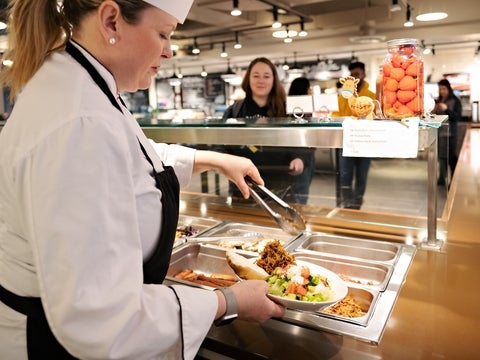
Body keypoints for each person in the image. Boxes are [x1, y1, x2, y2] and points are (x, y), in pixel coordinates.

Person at [0, 1, 285, 359]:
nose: (168, 51)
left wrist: (212, 159)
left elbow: (134, 155)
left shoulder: (86, 84)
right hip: (52, 345)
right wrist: (227, 301)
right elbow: (100, 319)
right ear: (111, 21)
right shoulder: (78, 123)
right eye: (163, 33)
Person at [222, 57, 311, 204]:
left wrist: (300, 158)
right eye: (256, 76)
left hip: (283, 186)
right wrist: (226, 163)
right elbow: (220, 144)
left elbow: (304, 141)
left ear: (274, 80)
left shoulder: (288, 109)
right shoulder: (235, 110)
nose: (261, 80)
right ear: (248, 79)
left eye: (266, 76)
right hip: (243, 187)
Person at [333, 61, 376, 209]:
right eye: (352, 74)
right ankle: (346, 205)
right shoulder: (345, 95)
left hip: (365, 141)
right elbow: (335, 113)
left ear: (364, 74)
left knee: (362, 176)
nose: (355, 77)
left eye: (357, 74)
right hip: (346, 141)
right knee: (344, 176)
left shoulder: (371, 95)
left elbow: (375, 116)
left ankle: (356, 205)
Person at [287, 77, 316, 204]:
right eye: (309, 87)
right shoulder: (302, 107)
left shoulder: (288, 105)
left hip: (300, 153)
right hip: (301, 153)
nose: (310, 90)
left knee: (299, 191)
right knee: (300, 192)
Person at [432, 78, 462, 186]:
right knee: (441, 157)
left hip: (451, 134)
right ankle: (441, 180)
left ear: (448, 88)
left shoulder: (455, 101)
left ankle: (454, 181)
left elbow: (457, 117)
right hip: (440, 134)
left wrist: (446, 109)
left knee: (451, 158)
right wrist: (434, 109)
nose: (442, 91)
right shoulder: (438, 101)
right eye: (440, 89)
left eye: (444, 88)